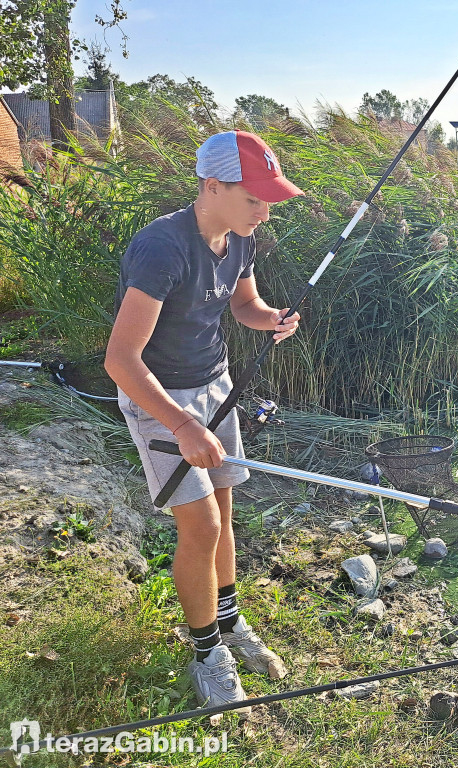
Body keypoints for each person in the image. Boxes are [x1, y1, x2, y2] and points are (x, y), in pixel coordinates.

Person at [105, 130, 304, 715]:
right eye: (254, 199)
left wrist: (268, 319)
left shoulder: (238, 237)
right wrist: (184, 427)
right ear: (211, 187)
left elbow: (242, 305)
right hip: (159, 398)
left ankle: (229, 619)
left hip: (215, 388)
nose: (265, 211)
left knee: (226, 516)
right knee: (202, 528)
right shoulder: (161, 248)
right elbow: (120, 360)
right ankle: (206, 652)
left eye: (269, 199)